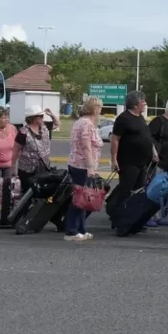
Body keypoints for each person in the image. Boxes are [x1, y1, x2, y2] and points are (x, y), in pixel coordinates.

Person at [108, 91, 158, 213]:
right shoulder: (123, 118)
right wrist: (114, 159)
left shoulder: (140, 117)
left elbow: (146, 136)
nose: (145, 103)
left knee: (138, 190)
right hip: (128, 161)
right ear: (135, 105)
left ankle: (131, 217)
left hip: (142, 162)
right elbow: (115, 139)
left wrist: (153, 151)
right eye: (143, 101)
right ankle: (116, 212)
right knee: (126, 189)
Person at [64, 97, 103, 242]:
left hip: (77, 163)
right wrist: (90, 167)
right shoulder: (87, 124)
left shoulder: (80, 122)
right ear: (93, 108)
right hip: (82, 165)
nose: (100, 110)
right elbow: (86, 146)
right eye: (99, 107)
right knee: (79, 198)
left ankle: (80, 228)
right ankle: (71, 230)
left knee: (84, 198)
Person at [146, 99, 168, 227]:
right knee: (153, 190)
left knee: (161, 191)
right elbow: (147, 137)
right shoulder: (158, 121)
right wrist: (154, 152)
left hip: (167, 163)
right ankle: (148, 216)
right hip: (158, 163)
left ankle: (157, 216)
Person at [12, 104, 59, 193]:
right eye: (40, 116)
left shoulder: (45, 127)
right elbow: (15, 151)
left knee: (43, 193)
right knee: (28, 194)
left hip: (43, 168)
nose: (42, 118)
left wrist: (51, 114)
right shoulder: (23, 133)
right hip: (27, 171)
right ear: (33, 118)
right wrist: (13, 169)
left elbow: (57, 124)